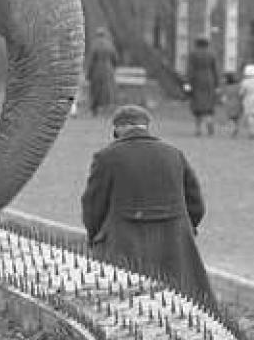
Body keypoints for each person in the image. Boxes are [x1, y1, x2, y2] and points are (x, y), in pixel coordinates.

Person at [81, 104, 218, 310]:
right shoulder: (174, 154)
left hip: (123, 243)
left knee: (124, 307)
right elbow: (195, 203)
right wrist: (186, 230)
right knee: (185, 307)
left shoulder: (106, 157)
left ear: (118, 129)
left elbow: (93, 205)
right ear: (146, 127)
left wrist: (95, 236)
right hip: (174, 241)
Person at [185, 37, 220, 136]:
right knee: (209, 104)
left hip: (197, 81)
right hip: (210, 80)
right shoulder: (212, 54)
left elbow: (190, 69)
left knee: (197, 105)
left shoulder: (193, 54)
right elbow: (216, 70)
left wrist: (187, 83)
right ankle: (209, 122)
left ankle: (198, 128)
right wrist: (217, 85)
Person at [85, 27, 119, 117]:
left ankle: (94, 110)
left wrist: (88, 74)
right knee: (107, 91)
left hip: (97, 71)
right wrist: (113, 68)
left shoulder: (94, 45)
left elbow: (91, 61)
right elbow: (115, 59)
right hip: (108, 71)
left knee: (95, 91)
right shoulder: (110, 45)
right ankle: (106, 109)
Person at [221, 71, 243, 137]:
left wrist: (223, 102)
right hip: (238, 104)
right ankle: (236, 128)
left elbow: (224, 98)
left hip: (229, 105)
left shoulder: (227, 88)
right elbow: (241, 94)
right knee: (236, 118)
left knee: (230, 118)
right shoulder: (238, 86)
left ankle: (232, 130)